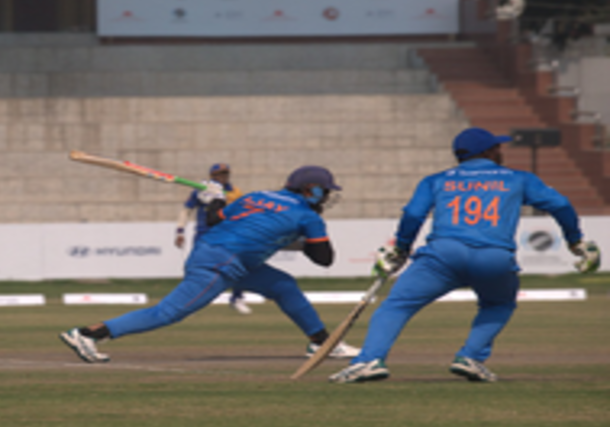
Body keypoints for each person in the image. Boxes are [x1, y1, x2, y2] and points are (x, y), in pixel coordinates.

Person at [329, 127, 601, 384]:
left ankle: (370, 360)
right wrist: (575, 242)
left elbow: (413, 214)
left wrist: (401, 247)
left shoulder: (436, 180)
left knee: (397, 306)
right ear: (489, 152)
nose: (500, 150)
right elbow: (560, 205)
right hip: (494, 257)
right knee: (498, 305)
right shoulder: (518, 179)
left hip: (443, 256)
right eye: (497, 147)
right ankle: (471, 356)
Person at [60, 165, 361, 363]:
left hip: (224, 256)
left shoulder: (256, 196)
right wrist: (302, 239)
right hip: (222, 263)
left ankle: (322, 343)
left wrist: (214, 198)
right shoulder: (308, 216)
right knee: (169, 312)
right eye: (325, 191)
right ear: (310, 190)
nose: (328, 197)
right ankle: (88, 334)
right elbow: (324, 259)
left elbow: (217, 219)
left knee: (283, 286)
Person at [175, 163, 252, 315]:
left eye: (225, 174)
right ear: (212, 176)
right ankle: (188, 300)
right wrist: (180, 231)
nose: (223, 177)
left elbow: (243, 212)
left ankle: (237, 298)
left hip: (227, 234)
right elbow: (186, 210)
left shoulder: (235, 192)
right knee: (194, 267)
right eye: (219, 174)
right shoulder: (202, 189)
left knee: (239, 264)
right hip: (204, 233)